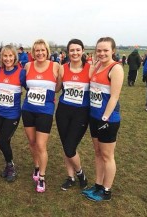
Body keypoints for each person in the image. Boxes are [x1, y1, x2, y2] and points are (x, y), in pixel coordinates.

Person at [82, 37, 124, 201]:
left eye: (105, 50)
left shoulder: (116, 68)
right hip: (94, 117)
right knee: (98, 153)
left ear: (113, 50)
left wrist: (105, 118)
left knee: (107, 156)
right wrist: (93, 64)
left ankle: (106, 191)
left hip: (108, 120)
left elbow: (114, 97)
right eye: (99, 50)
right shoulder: (98, 66)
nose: (102, 53)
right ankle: (98, 185)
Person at [22, 39, 60, 192]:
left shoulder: (55, 66)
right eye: (37, 50)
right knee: (32, 142)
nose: (40, 53)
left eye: (42, 50)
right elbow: (25, 84)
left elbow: (59, 87)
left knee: (41, 144)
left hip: (45, 111)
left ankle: (42, 177)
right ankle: (36, 167)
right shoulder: (28, 66)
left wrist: (50, 95)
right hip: (28, 109)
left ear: (47, 51)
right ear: (33, 52)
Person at [55, 39, 90, 191]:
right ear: (67, 52)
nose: (75, 53)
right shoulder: (63, 68)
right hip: (63, 111)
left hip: (81, 113)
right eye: (72, 50)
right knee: (65, 146)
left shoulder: (91, 69)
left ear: (82, 51)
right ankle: (70, 177)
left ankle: (80, 173)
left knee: (70, 147)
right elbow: (57, 89)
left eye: (77, 50)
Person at [0, 45, 25, 182]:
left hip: (12, 114)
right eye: (5, 56)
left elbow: (31, 88)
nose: (7, 59)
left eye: (10, 56)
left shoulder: (21, 72)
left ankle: (11, 166)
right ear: (2, 57)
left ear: (15, 57)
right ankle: (8, 166)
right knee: (5, 141)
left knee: (2, 141)